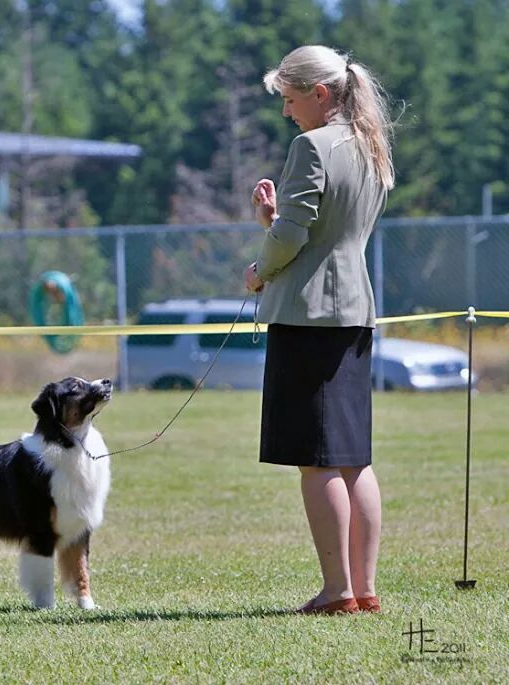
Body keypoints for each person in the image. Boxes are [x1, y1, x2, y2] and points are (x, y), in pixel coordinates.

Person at [244, 45, 395, 615]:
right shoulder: (370, 146)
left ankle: (336, 592)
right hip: (355, 312)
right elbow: (325, 228)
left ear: (320, 94)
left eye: (289, 98)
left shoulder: (311, 146)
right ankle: (364, 587)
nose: (286, 111)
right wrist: (276, 220)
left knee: (317, 460)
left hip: (308, 316)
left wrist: (260, 269)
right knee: (355, 457)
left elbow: (293, 239)